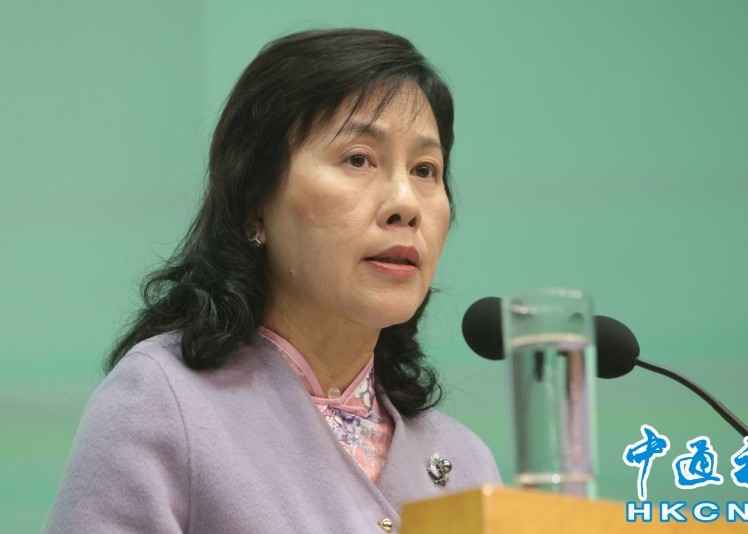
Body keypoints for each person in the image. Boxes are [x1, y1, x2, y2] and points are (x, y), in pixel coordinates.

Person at [44, 28, 500, 533]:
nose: (406, 204)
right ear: (254, 202)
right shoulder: (162, 405)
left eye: (425, 170)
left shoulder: (467, 464)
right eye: (358, 159)